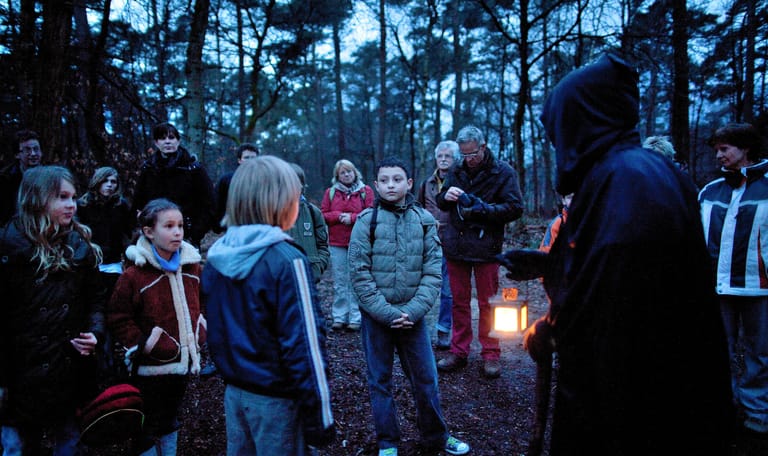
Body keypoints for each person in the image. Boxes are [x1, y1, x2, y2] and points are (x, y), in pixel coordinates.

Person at [500, 52, 734, 455]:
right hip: (654, 381)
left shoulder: (626, 180)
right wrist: (549, 263)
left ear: (583, 122)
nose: (558, 143)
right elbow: (617, 262)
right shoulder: (636, 172)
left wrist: (553, 329)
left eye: (561, 128)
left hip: (638, 394)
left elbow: (615, 291)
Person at [202, 156, 335, 455]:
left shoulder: (216, 257)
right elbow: (306, 347)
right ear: (280, 202)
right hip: (278, 404)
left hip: (236, 396)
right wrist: (320, 419)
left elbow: (218, 334)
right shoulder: (288, 260)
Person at [348, 156, 469, 456]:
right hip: (377, 319)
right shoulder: (366, 222)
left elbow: (433, 272)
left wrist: (413, 311)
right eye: (385, 180)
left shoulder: (424, 221)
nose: (391, 185)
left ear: (409, 183)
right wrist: (386, 313)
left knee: (426, 379)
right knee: (380, 381)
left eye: (397, 179)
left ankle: (436, 438)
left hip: (413, 318)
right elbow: (359, 273)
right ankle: (388, 443)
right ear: (376, 185)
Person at [0, 165, 105, 455]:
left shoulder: (79, 246)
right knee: (17, 446)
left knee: (69, 442)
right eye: (61, 196)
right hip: (18, 373)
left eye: (73, 196)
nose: (71, 204)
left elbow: (95, 299)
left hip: (68, 368)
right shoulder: (8, 247)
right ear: (37, 199)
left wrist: (95, 333)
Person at [108, 198, 206, 456]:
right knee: (146, 424)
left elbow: (204, 301)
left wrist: (201, 328)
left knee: (171, 418)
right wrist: (146, 343)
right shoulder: (134, 274)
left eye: (181, 226)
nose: (177, 232)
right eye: (169, 226)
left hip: (182, 362)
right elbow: (118, 316)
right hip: (150, 368)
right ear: (149, 231)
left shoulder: (192, 266)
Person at [435, 125, 524, 379]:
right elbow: (441, 201)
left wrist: (483, 210)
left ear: (483, 147)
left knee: (488, 303)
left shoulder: (503, 172)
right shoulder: (456, 169)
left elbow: (515, 207)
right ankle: (459, 351)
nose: (468, 160)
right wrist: (446, 196)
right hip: (456, 246)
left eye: (472, 154)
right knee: (458, 302)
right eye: (463, 155)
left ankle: (491, 353)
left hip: (486, 248)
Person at [699, 122, 768, 436]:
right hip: (718, 287)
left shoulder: (767, 187)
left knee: (759, 353)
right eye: (717, 150)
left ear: (746, 149)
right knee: (717, 350)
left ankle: (757, 414)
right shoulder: (710, 191)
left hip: (760, 287)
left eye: (725, 149)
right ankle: (723, 407)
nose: (719, 156)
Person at [131, 122, 216, 248]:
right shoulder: (148, 169)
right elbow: (138, 203)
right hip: (155, 235)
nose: (167, 142)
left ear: (178, 141)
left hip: (186, 235)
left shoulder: (193, 169)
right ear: (156, 142)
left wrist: (196, 232)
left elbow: (210, 203)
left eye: (171, 138)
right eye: (163, 138)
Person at [321, 159, 374, 331]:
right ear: (337, 176)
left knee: (356, 279)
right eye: (343, 172)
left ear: (355, 172)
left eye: (349, 171)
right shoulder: (331, 193)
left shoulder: (365, 191)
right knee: (340, 280)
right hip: (337, 243)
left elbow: (371, 213)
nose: (346, 175)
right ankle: (339, 316)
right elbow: (323, 215)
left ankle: (355, 318)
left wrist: (351, 218)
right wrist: (338, 216)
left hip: (359, 241)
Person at [417, 140, 460, 350]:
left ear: (455, 159)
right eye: (440, 156)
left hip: (452, 242)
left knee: (448, 290)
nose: (443, 160)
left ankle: (444, 330)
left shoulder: (460, 181)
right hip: (428, 241)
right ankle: (415, 328)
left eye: (448, 156)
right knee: (422, 285)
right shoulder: (427, 183)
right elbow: (417, 208)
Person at [76, 166, 134, 292]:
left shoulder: (121, 205)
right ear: (98, 181)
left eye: (113, 182)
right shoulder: (82, 205)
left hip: (113, 261)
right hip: (89, 259)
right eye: (105, 181)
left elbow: (127, 232)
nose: (109, 185)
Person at [287, 162, 330, 283]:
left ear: (302, 185)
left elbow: (322, 245)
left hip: (309, 276)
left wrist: (318, 266)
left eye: (296, 182)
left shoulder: (313, 212)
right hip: (281, 278)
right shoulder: (272, 212)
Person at [212, 143, 259, 233]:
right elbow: (217, 204)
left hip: (257, 228)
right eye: (246, 158)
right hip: (232, 228)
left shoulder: (265, 181)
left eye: (253, 158)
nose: (250, 161)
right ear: (239, 160)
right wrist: (217, 227)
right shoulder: (227, 180)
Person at [0, 129, 44, 224]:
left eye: (36, 149)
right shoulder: (6, 179)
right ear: (17, 155)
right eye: (27, 150)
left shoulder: (51, 176)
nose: (33, 154)